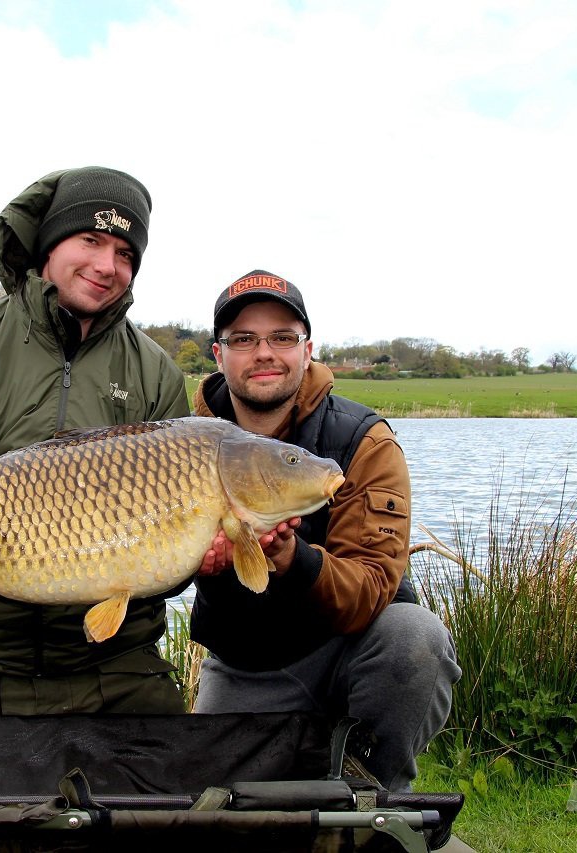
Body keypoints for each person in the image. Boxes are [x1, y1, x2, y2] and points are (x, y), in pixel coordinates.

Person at [0, 167, 190, 717]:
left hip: (118, 664)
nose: (107, 266)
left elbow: (170, 563)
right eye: (92, 240)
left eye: (126, 253)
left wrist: (203, 556)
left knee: (182, 799)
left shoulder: (156, 373)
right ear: (48, 245)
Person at [189, 269, 461, 793]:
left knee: (416, 639)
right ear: (219, 356)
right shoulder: (186, 444)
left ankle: (381, 799)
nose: (264, 352)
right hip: (246, 664)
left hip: (351, 652)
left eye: (282, 337)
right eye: (244, 339)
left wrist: (294, 559)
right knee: (211, 809)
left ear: (307, 349)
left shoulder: (362, 442)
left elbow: (371, 589)